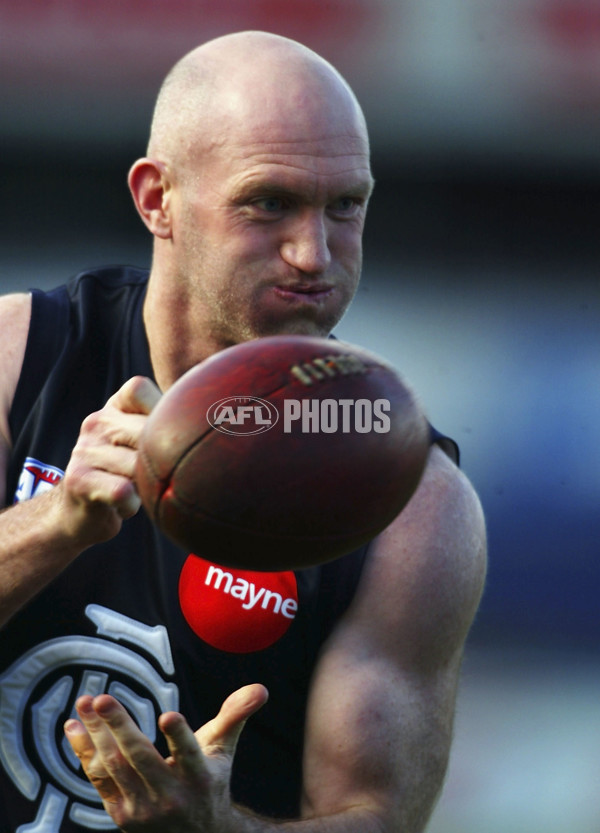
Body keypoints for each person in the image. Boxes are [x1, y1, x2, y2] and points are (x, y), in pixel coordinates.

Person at [0, 30, 486, 833]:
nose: (314, 252)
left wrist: (218, 831)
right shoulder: (19, 360)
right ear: (157, 198)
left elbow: (377, 815)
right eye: (269, 203)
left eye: (345, 206)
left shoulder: (412, 503)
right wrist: (52, 526)